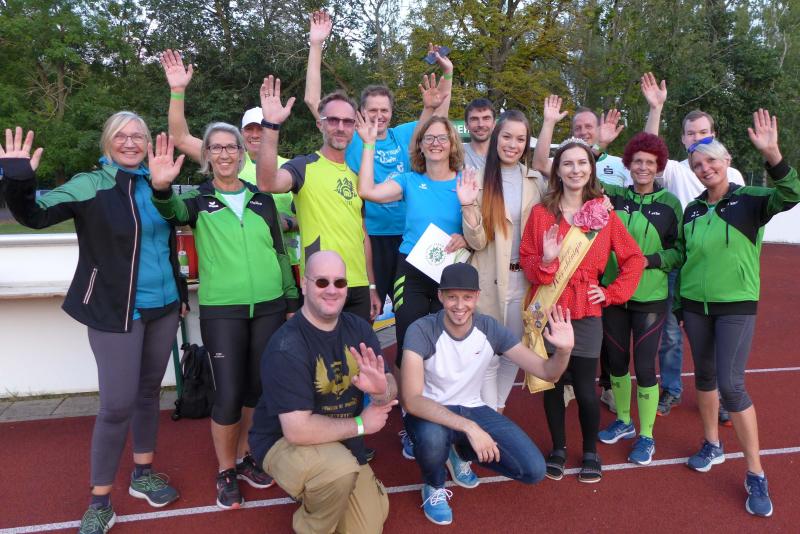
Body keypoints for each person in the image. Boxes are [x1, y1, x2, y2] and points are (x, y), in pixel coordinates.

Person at [1, 117, 189, 534]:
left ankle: (143, 475)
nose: (130, 142)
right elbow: (33, 215)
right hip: (114, 311)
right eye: (121, 135)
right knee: (117, 405)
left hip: (163, 308)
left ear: (148, 143)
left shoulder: (157, 181)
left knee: (148, 393)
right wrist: (18, 179)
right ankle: (100, 501)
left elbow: (168, 241)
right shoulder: (90, 184)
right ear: (107, 142)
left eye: (138, 135)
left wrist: (178, 294)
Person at [150, 122, 299, 509]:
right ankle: (225, 469)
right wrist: (161, 188)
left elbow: (280, 253)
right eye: (216, 148)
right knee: (229, 394)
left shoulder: (262, 200)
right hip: (223, 310)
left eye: (231, 147)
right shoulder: (198, 201)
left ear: (242, 152)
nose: (225, 154)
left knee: (255, 389)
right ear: (207, 156)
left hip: (269, 306)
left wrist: (291, 300)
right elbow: (170, 212)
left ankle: (247, 456)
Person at [677, 109, 799, 517]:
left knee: (732, 386)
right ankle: (712, 444)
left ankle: (755, 472)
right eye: (697, 165)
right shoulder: (693, 209)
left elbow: (791, 194)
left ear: (726, 161)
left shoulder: (750, 200)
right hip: (695, 306)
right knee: (705, 377)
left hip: (735, 307)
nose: (705, 168)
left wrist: (773, 154)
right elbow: (683, 257)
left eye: (711, 160)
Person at [401, 263, 574, 525]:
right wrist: (470, 427)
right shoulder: (421, 330)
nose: (460, 305)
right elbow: (412, 400)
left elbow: (547, 372)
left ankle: (460, 452)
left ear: (477, 297)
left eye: (467, 297)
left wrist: (563, 351)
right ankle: (434, 486)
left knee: (533, 470)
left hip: (471, 407)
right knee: (433, 439)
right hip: (430, 411)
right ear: (440, 296)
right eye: (452, 297)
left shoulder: (489, 328)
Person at [304, 10, 453, 309]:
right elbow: (312, 100)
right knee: (369, 308)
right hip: (370, 237)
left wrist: (447, 73)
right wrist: (316, 45)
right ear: (361, 112)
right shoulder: (352, 137)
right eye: (372, 110)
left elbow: (440, 114)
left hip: (408, 237)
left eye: (384, 110)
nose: (379, 116)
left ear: (391, 113)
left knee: (407, 309)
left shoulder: (404, 135)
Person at [519, 133, 644, 483]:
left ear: (591, 169)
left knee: (587, 390)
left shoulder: (604, 215)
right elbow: (527, 262)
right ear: (558, 170)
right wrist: (546, 260)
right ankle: (558, 449)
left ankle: (590, 451)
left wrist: (612, 292)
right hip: (549, 309)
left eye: (582, 163)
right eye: (568, 163)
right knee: (553, 384)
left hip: (586, 312)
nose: (575, 170)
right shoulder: (541, 214)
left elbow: (634, 258)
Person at [248, 250, 398, 533]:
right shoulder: (287, 346)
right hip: (283, 442)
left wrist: (381, 391)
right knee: (338, 473)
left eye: (339, 282)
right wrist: (361, 424)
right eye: (321, 282)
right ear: (304, 284)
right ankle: (309, 524)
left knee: (369, 527)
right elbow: (297, 430)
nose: (332, 290)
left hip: (340, 441)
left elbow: (389, 386)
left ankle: (325, 489)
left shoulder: (359, 329)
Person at [356, 114, 470, 465]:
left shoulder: (466, 181)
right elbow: (367, 191)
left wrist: (467, 236)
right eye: (428, 138)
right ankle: (410, 420)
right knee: (409, 345)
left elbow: (483, 227)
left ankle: (444, 419)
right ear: (419, 145)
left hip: (450, 274)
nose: (435, 143)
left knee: (447, 349)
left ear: (452, 144)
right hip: (413, 270)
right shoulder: (408, 180)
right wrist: (369, 144)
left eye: (442, 138)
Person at [640, 72, 746, 423]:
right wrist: (656, 108)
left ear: (713, 134)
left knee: (716, 336)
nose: (697, 138)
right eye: (691, 133)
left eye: (703, 132)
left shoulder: (733, 175)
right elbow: (649, 149)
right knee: (671, 335)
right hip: (677, 266)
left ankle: (724, 395)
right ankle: (671, 389)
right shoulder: (674, 170)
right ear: (683, 139)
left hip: (715, 270)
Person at [159, 50, 301, 273]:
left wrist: (289, 223)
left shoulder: (289, 168)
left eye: (262, 128)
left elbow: (308, 215)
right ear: (241, 133)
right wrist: (177, 92)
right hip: (240, 264)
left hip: (290, 264)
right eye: (250, 129)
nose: (256, 134)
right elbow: (180, 138)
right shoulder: (227, 160)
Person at [255, 76, 381, 322]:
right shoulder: (303, 167)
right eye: (333, 120)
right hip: (321, 285)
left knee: (360, 349)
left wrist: (371, 285)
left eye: (347, 121)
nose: (340, 127)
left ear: (354, 128)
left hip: (357, 286)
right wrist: (270, 125)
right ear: (319, 124)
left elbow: (362, 235)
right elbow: (267, 183)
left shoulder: (357, 177)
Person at [595, 132, 682, 465]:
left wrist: (649, 260)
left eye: (650, 162)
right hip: (613, 293)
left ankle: (646, 436)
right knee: (616, 363)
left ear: (659, 166)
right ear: (628, 165)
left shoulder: (670, 204)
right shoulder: (614, 195)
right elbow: (582, 173)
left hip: (650, 296)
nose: (643, 167)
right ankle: (624, 421)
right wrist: (598, 146)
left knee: (644, 367)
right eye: (637, 161)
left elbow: (678, 252)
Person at [459, 110, 545, 412]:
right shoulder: (477, 178)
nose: (513, 144)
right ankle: (490, 415)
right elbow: (477, 241)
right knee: (487, 354)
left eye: (520, 139)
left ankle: (496, 410)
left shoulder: (535, 181)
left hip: (524, 282)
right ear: (496, 137)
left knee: (514, 351)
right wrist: (467, 205)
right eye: (507, 136)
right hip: (488, 278)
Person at [531, 95, 629, 188]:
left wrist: (602, 143)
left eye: (588, 126)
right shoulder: (563, 162)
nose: (583, 132)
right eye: (577, 128)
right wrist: (549, 122)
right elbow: (540, 165)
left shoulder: (620, 164)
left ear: (599, 129)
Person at [462, 98, 496, 170]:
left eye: (486, 118)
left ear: (494, 124)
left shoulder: (504, 154)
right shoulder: (455, 153)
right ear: (466, 125)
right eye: (474, 119)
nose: (481, 124)